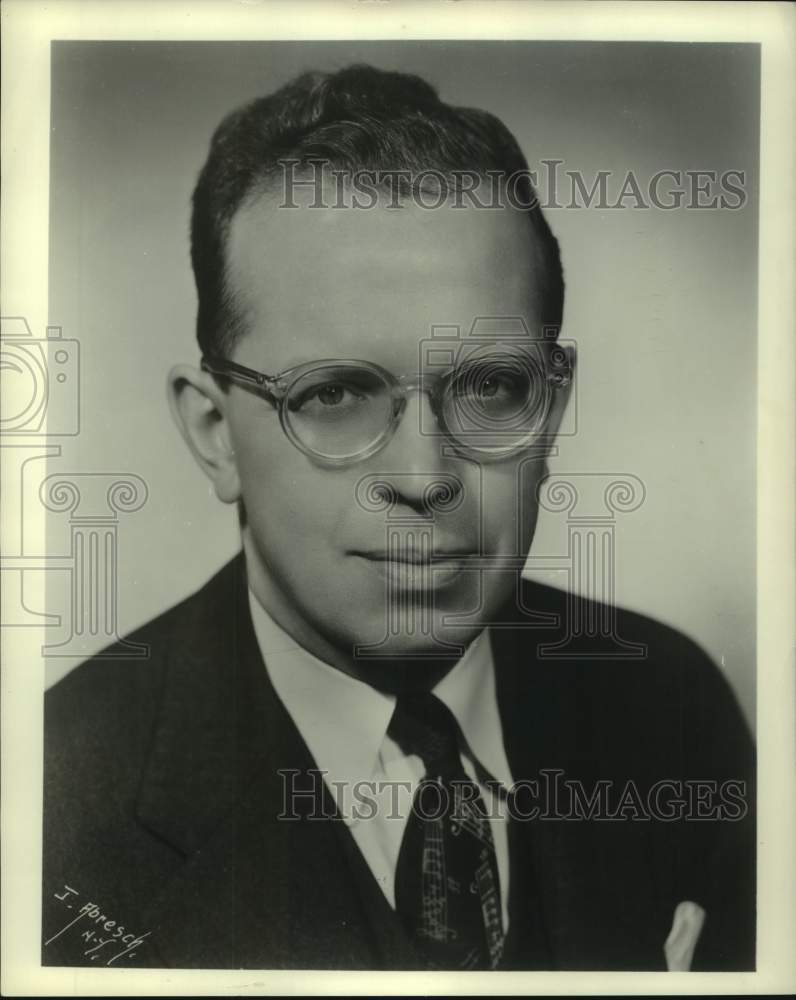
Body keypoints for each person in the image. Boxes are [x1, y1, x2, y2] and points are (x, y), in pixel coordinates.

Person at [42, 64, 754, 972]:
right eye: (334, 393)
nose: (424, 477)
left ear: (553, 405)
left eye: (492, 386)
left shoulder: (672, 710)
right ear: (215, 432)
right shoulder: (50, 807)